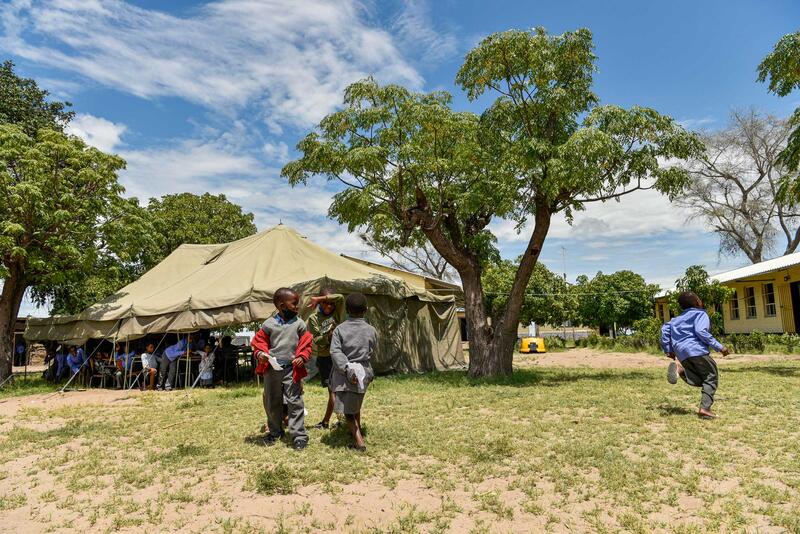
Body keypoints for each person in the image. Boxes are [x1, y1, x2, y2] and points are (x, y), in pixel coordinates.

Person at [251, 287, 313, 450]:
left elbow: (306, 344)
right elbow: (259, 343)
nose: (297, 307)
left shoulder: (299, 324)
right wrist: (261, 355)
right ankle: (275, 432)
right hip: (272, 370)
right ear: (281, 306)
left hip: (291, 370)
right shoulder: (268, 324)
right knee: (272, 401)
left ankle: (298, 435)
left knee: (295, 401)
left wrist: (301, 357)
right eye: (294, 304)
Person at [661, 291, 730, 419]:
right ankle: (705, 409)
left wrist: (668, 349)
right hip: (696, 349)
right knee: (711, 377)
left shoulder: (675, 319)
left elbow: (664, 330)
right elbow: (700, 331)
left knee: (702, 380)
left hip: (681, 353)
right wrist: (720, 347)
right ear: (697, 302)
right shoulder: (700, 314)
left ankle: (681, 370)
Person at [329, 292, 376, 451]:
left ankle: (359, 442)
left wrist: (347, 369)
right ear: (366, 309)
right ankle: (357, 430)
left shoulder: (339, 330)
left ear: (347, 310)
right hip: (364, 371)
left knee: (348, 412)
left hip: (346, 374)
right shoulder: (371, 330)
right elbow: (372, 349)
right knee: (355, 405)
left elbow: (335, 352)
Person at [306, 289, 345, 429]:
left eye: (330, 304)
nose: (328, 307)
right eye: (324, 304)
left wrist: (319, 298)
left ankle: (333, 421)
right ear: (320, 304)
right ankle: (339, 421)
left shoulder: (338, 312)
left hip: (340, 356)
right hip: (325, 358)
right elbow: (316, 339)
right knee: (332, 390)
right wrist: (328, 336)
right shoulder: (313, 318)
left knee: (338, 390)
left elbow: (340, 296)